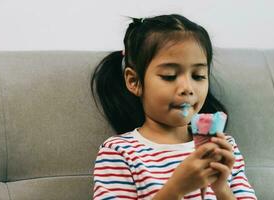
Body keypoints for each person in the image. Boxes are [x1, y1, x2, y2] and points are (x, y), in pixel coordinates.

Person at [91, 14, 257, 200]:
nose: (187, 88)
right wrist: (176, 189)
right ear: (134, 81)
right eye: (169, 76)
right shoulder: (120, 152)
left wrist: (221, 188)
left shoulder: (224, 147)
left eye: (198, 76)